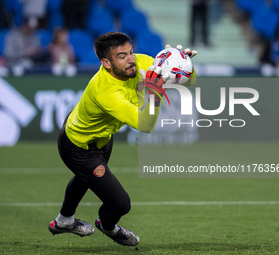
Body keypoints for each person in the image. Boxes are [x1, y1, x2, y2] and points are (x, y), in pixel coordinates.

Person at [48, 32, 197, 246]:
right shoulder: (105, 91)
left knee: (85, 178)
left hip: (102, 137)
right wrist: (154, 92)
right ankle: (108, 226)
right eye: (121, 56)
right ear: (106, 63)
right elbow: (144, 126)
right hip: (78, 146)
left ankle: (63, 222)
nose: (131, 60)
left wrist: (183, 64)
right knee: (120, 204)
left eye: (131, 52)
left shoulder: (138, 63)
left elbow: (190, 81)